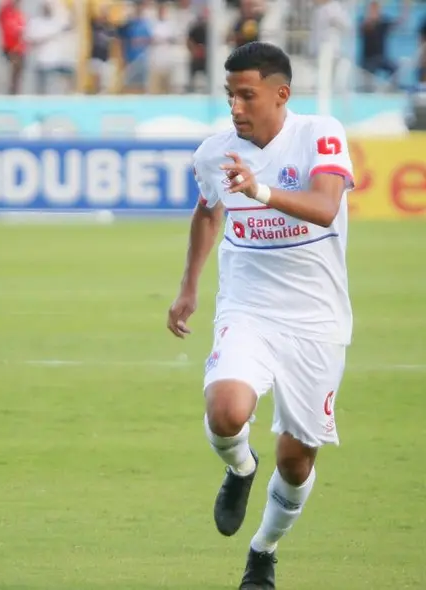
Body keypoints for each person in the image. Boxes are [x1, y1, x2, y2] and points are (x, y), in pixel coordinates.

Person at [167, 42, 354, 589]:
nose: (236, 107)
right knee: (226, 410)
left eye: (247, 95)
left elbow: (324, 207)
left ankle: (263, 550)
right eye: (230, 96)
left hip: (317, 320)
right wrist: (189, 288)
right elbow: (208, 211)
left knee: (296, 462)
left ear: (281, 94)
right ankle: (240, 468)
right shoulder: (214, 153)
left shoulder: (319, 134)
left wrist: (261, 189)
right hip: (247, 305)